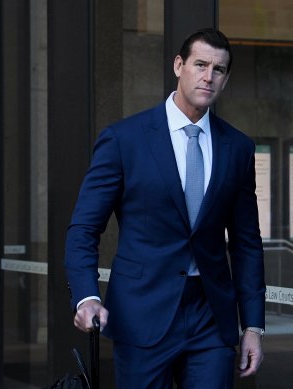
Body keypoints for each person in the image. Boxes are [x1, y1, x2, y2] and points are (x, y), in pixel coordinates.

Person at [65, 28, 265, 388]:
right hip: (142, 314)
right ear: (178, 65)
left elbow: (246, 242)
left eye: (218, 69)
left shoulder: (238, 148)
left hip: (211, 318)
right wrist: (86, 296)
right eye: (200, 64)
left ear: (225, 79)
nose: (208, 76)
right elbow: (84, 228)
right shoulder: (124, 139)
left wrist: (252, 326)